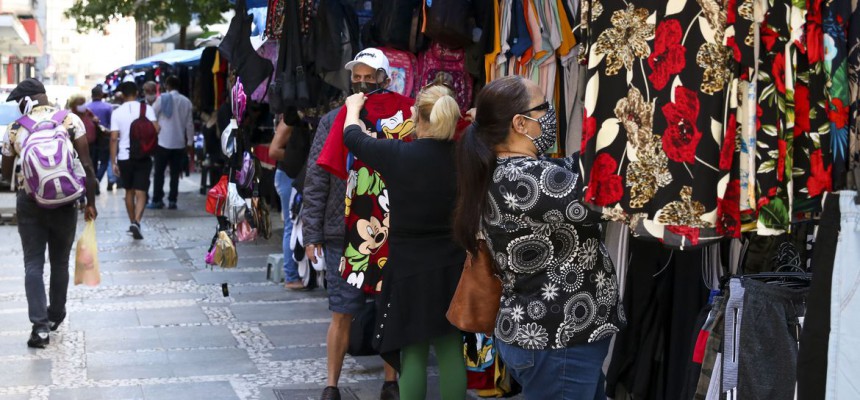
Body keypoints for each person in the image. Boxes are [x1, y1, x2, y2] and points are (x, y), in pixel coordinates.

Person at [453, 76, 624, 399]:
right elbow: (605, 195)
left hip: (546, 334)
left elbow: (572, 170)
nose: (550, 114)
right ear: (520, 123)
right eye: (543, 107)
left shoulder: (506, 170)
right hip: (558, 338)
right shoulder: (530, 179)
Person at [342, 84, 467, 399]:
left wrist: (354, 108)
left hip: (408, 269)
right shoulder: (466, 156)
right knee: (451, 348)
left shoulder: (399, 154)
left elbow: (352, 137)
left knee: (412, 351)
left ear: (417, 117)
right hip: (453, 266)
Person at [306, 48, 408, 400]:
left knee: (390, 307)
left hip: (391, 228)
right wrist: (311, 232)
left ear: (385, 78)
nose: (363, 84)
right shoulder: (333, 119)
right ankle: (331, 386)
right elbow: (317, 178)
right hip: (341, 230)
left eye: (370, 77)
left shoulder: (403, 118)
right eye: (357, 78)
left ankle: (391, 381)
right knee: (342, 310)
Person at [0, 78, 98, 348]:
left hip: (30, 201)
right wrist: (90, 203)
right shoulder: (69, 120)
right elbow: (87, 165)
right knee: (60, 262)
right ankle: (56, 314)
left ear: (25, 101)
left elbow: (5, 173)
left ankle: (40, 328)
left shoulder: (15, 129)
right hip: (66, 201)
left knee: (33, 264)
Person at [110, 81, 159, 240]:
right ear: (137, 93)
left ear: (122, 95)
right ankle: (137, 222)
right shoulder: (146, 109)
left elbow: (113, 138)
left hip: (124, 156)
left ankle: (132, 221)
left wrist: (113, 161)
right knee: (141, 192)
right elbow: (157, 128)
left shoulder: (117, 113)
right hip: (143, 155)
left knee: (129, 191)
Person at [269, 111, 305, 290]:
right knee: (292, 225)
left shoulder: (299, 119)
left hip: (293, 175)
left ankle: (297, 273)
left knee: (295, 224)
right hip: (287, 176)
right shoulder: (289, 120)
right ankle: (291, 276)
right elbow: (273, 151)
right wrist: (301, 157)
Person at [148, 75, 194, 210]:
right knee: (175, 174)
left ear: (167, 85)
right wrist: (190, 142)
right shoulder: (186, 102)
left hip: (162, 141)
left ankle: (157, 199)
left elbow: (152, 114)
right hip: (179, 143)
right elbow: (189, 124)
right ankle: (172, 200)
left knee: (159, 173)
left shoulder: (162, 99)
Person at [67, 94, 101, 195]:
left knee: (92, 166)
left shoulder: (88, 112)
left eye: (83, 103)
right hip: (78, 147)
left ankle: (93, 187)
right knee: (81, 168)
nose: (83, 106)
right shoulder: (70, 117)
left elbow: (95, 120)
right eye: (80, 104)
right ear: (74, 105)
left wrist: (95, 120)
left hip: (92, 145)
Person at [86, 86, 118, 191]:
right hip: (105, 138)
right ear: (101, 95)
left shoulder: (87, 107)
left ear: (92, 95)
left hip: (90, 139)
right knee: (104, 162)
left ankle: (95, 184)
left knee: (93, 162)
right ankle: (97, 180)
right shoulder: (108, 107)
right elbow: (112, 124)